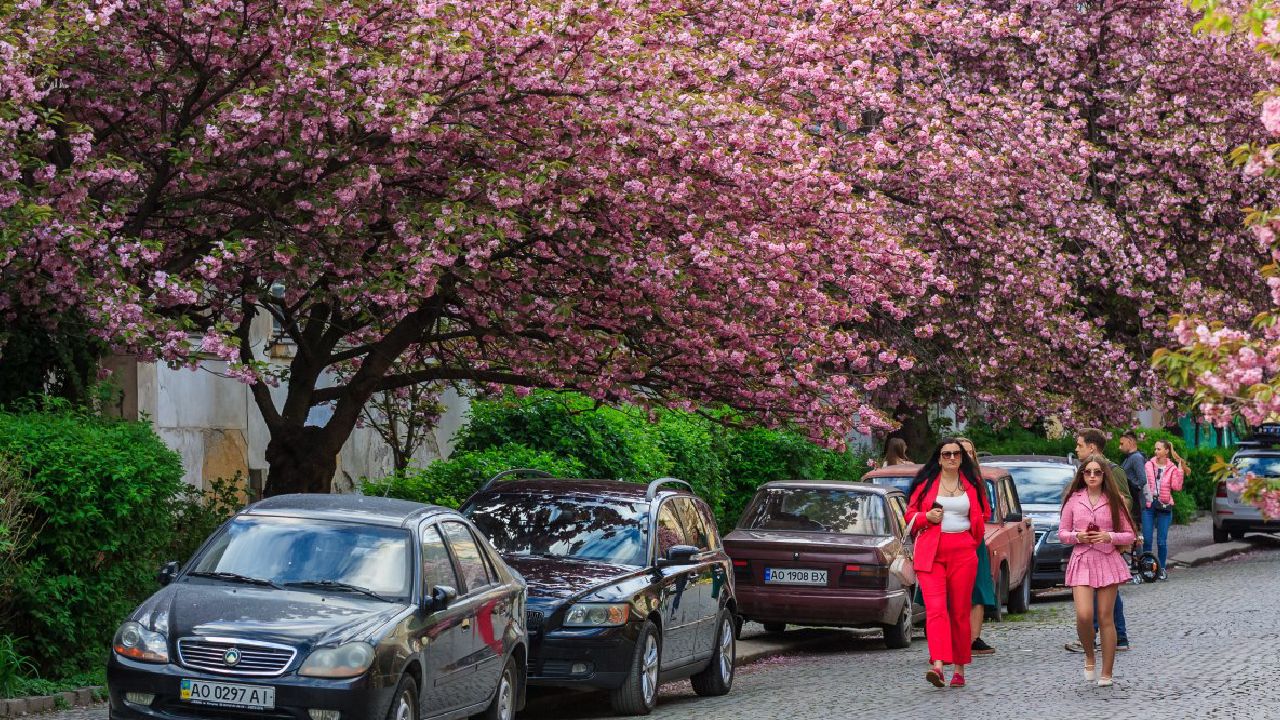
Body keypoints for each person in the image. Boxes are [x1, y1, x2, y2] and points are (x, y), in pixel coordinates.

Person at [905, 439, 988, 688]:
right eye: (946, 454)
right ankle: (938, 665)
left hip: (963, 550)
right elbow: (909, 514)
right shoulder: (926, 483)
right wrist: (925, 517)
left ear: (962, 458)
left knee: (960, 611)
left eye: (956, 454)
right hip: (931, 551)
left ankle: (960, 669)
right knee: (936, 609)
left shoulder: (972, 484)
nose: (951, 457)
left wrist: (971, 541)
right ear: (939, 458)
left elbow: (984, 514)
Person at [1059, 454, 1136, 687]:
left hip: (1107, 559)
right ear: (1082, 475)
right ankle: (1089, 655)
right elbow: (1062, 534)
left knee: (1105, 617)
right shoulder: (1073, 499)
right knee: (1084, 615)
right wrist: (1078, 536)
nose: (1092, 476)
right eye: (1088, 472)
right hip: (1082, 558)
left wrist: (1109, 536)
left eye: (1097, 472)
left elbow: (1130, 534)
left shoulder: (1115, 500)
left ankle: (1107, 672)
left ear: (1104, 475)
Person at [1064, 428, 1133, 653]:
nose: (1076, 449)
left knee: (1109, 597)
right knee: (1090, 599)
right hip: (1085, 549)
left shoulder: (1114, 471)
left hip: (1108, 546)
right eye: (1088, 473)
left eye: (1080, 445)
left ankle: (1118, 636)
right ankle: (1091, 636)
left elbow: (1125, 503)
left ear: (1092, 447)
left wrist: (1109, 529)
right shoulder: (1080, 482)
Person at [955, 437, 998, 656]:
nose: (967, 456)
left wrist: (978, 522)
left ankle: (973, 638)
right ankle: (954, 638)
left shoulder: (977, 481)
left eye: (971, 452)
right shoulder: (944, 480)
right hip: (952, 539)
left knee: (978, 588)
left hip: (974, 538)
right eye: (963, 452)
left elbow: (986, 510)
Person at [1143, 440, 1185, 580]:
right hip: (1149, 506)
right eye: (1155, 449)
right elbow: (1144, 483)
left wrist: (1180, 470)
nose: (1156, 451)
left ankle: (1160, 569)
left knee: (1161, 541)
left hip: (1164, 506)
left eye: (1159, 449)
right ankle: (1147, 569)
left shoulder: (1172, 468)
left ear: (1166, 451)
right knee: (1147, 539)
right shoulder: (1148, 465)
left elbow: (1177, 487)